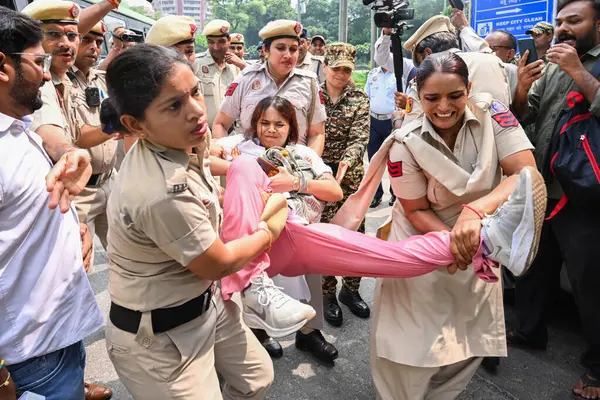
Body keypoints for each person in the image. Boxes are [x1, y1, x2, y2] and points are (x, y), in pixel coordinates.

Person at [330, 51, 544, 399]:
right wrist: (458, 242)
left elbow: (525, 172)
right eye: (432, 98)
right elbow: (415, 210)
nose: (444, 107)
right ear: (418, 96)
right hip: (422, 242)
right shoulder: (405, 140)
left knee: (468, 335)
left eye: (455, 96)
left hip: (480, 237)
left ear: (469, 89)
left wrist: (474, 217)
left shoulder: (493, 112)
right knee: (410, 341)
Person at [101, 44, 275, 399]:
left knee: (257, 378)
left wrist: (248, 188)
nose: (197, 111)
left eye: (195, 91)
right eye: (174, 105)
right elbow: (219, 263)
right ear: (136, 124)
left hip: (207, 306)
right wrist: (269, 229)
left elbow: (206, 184)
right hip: (159, 340)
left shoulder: (182, 139)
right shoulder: (160, 192)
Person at [0, 7, 107, 400]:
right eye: (38, 61)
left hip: (53, 337)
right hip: (29, 355)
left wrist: (69, 231)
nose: (45, 74)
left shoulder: (15, 126)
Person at [510, 1, 600, 398]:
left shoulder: (583, 64)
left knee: (590, 283)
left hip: (585, 194)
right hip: (545, 186)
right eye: (560, 21)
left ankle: (597, 367)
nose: (563, 29)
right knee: (534, 264)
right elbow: (523, 115)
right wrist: (522, 88)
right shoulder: (552, 66)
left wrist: (578, 71)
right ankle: (530, 332)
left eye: (574, 21)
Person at [212, 20, 326, 156]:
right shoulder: (246, 79)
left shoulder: (309, 83)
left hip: (292, 166)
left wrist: (306, 167)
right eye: (281, 48)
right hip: (250, 163)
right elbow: (221, 124)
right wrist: (228, 159)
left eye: (293, 49)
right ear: (266, 50)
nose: (288, 55)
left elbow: (317, 133)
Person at [319, 43, 371, 328]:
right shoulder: (312, 96)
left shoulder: (360, 97)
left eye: (346, 69)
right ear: (325, 66)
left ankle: (351, 290)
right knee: (324, 236)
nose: (340, 74)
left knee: (354, 235)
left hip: (349, 178)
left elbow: (360, 137)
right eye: (336, 68)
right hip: (319, 179)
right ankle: (327, 294)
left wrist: (347, 161)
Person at [69, 20, 117, 272]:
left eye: (99, 42)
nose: (94, 47)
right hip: (81, 192)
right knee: (78, 266)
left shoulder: (100, 80)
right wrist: (114, 128)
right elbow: (78, 137)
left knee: (125, 255)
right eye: (86, 40)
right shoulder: (58, 84)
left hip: (110, 181)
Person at [194, 19, 243, 128]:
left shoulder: (234, 65)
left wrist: (241, 64)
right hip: (204, 131)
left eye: (221, 42)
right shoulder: (196, 63)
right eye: (211, 42)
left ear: (229, 40)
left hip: (230, 130)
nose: (216, 47)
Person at [365, 62, 397, 208]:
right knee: (374, 160)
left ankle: (395, 193)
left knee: (394, 160)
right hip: (373, 121)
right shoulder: (373, 74)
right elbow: (367, 96)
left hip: (392, 122)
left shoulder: (398, 74)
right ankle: (376, 195)